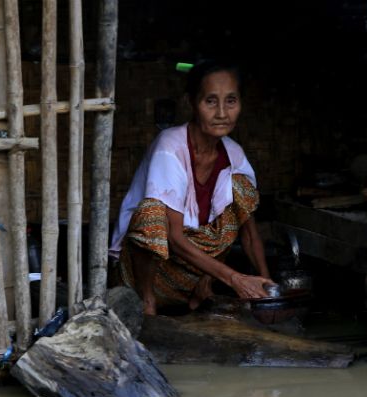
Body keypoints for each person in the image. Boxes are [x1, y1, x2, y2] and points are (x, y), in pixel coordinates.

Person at [109, 60, 274, 315]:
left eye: (231, 101)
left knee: (240, 192)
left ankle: (202, 287)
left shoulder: (234, 155)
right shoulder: (170, 146)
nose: (221, 112)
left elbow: (250, 235)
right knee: (151, 213)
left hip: (197, 270)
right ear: (191, 104)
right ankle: (147, 302)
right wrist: (236, 279)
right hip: (155, 271)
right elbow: (174, 239)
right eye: (210, 101)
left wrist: (267, 290)